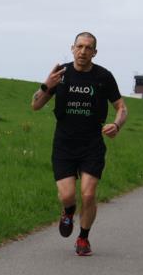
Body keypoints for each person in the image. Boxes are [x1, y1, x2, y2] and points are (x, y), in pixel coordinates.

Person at [31, 32, 127, 257]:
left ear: (94, 52)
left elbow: (121, 107)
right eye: (79, 46)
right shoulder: (61, 74)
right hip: (64, 144)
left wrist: (117, 124)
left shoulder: (104, 76)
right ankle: (68, 211)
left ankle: (83, 238)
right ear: (72, 48)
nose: (83, 51)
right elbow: (35, 105)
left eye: (88, 48)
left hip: (92, 143)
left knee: (88, 194)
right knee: (67, 196)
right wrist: (47, 85)